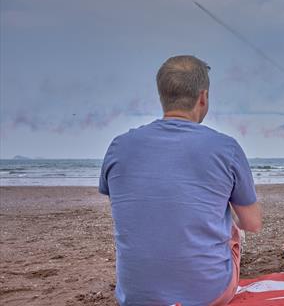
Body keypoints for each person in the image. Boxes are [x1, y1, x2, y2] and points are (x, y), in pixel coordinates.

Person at [99, 55, 262, 306]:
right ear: (203, 97)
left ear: (162, 96)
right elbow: (252, 223)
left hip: (135, 296)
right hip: (208, 295)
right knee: (232, 228)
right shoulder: (226, 148)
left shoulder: (119, 146)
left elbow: (130, 202)